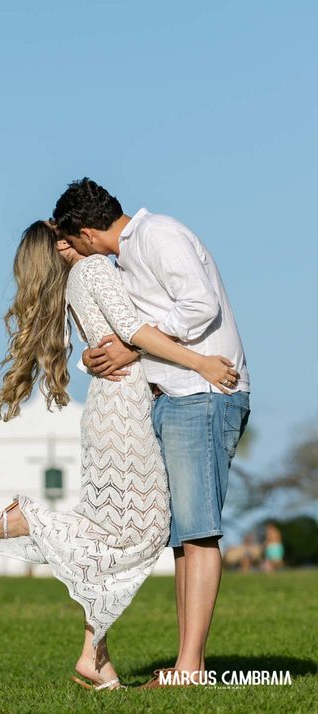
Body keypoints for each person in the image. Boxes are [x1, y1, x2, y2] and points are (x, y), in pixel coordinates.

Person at [0, 221, 239, 690]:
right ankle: (32, 520)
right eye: (68, 229)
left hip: (110, 407)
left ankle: (94, 655)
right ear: (63, 244)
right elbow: (133, 331)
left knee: (110, 535)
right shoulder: (93, 270)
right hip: (127, 409)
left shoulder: (76, 280)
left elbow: (108, 339)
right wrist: (201, 362)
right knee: (145, 532)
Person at [52, 179, 250, 687]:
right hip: (175, 397)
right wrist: (100, 353)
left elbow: (199, 306)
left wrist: (135, 347)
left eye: (73, 241)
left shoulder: (158, 235)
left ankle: (190, 669)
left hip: (202, 392)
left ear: (87, 233)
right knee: (184, 538)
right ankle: (189, 665)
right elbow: (125, 327)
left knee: (198, 533)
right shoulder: (125, 258)